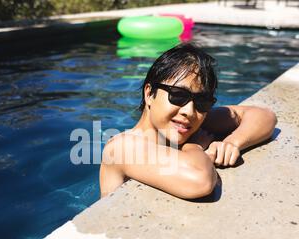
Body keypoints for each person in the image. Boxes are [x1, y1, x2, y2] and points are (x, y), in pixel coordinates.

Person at [100, 42, 277, 199]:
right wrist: (195, 146)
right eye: (178, 95)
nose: (190, 111)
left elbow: (265, 116)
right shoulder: (121, 147)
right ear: (149, 94)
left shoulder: (187, 125)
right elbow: (201, 181)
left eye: (202, 102)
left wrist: (233, 143)